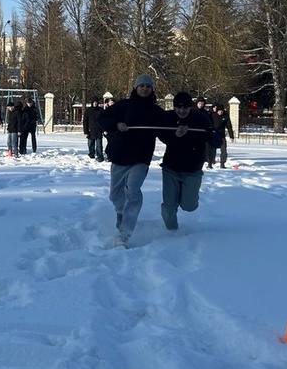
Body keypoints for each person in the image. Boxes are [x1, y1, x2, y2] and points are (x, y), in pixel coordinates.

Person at [98, 74, 164, 248]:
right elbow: (102, 118)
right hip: (120, 156)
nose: (145, 89)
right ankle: (121, 211)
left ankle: (124, 234)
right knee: (115, 195)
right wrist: (116, 124)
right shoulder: (124, 105)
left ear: (152, 89)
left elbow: (166, 130)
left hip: (141, 158)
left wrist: (179, 131)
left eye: (148, 86)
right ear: (136, 88)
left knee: (133, 191)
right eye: (142, 86)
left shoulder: (155, 111)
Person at [156, 91, 213, 231]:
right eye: (178, 107)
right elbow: (162, 136)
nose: (181, 111)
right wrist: (175, 136)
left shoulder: (200, 119)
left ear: (190, 107)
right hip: (171, 167)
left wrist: (211, 135)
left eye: (185, 108)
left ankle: (188, 197)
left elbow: (215, 139)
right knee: (169, 205)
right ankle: (171, 232)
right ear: (174, 107)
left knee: (189, 206)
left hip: (193, 169)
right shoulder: (168, 118)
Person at [207, 102, 236, 168]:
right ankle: (210, 162)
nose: (220, 112)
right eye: (219, 111)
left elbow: (229, 127)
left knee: (223, 150)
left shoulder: (225, 116)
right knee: (212, 150)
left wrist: (231, 136)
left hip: (222, 135)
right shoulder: (212, 115)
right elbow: (209, 124)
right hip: (214, 135)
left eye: (221, 111)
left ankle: (222, 163)